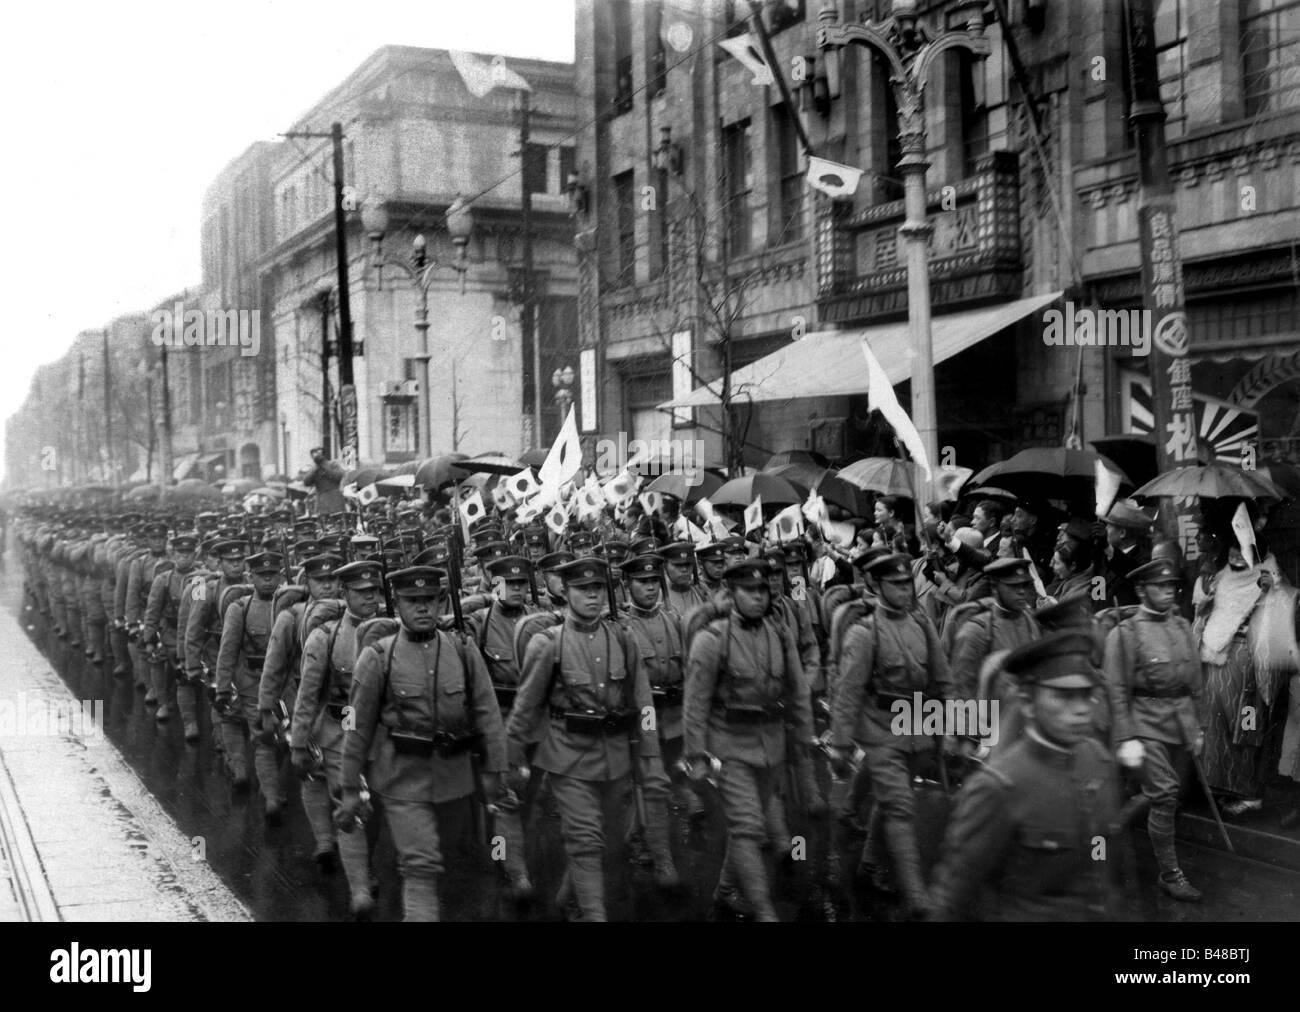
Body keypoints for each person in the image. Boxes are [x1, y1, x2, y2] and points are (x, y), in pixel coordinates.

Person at [336, 565, 507, 922]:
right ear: (396, 604)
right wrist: (350, 787)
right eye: (412, 601)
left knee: (437, 859)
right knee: (421, 866)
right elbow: (356, 728)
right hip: (401, 780)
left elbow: (488, 712)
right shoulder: (377, 657)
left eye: (430, 599)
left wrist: (494, 772)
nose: (423, 607)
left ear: (442, 600)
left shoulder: (463, 649)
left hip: (454, 780)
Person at [505, 557, 665, 921]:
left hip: (615, 756)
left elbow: (644, 702)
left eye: (597, 589)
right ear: (567, 592)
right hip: (568, 756)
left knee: (607, 837)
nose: (592, 596)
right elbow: (525, 707)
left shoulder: (624, 639)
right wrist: (510, 763)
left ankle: (568, 899)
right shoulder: (548, 644)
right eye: (582, 589)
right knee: (585, 840)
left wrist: (650, 753)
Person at [929, 631, 1126, 921]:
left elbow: (1104, 859)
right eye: (1063, 696)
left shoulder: (1096, 759)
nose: (1082, 709)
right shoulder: (998, 787)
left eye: (1086, 695)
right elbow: (953, 892)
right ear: (1028, 702)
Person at [683, 558, 813, 921]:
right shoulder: (711, 640)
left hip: (771, 746)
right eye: (749, 591)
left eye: (763, 590)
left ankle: (724, 892)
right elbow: (695, 702)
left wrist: (803, 734)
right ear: (731, 593)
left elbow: (797, 687)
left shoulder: (779, 632)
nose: (759, 597)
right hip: (729, 747)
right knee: (747, 828)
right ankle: (763, 909)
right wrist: (695, 754)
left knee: (749, 824)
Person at [828, 553, 954, 918]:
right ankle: (918, 897)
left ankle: (868, 866)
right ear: (876, 586)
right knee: (900, 804)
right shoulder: (864, 633)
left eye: (906, 583)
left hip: (916, 722)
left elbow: (943, 677)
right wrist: (839, 744)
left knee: (889, 798)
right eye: (895, 584)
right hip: (879, 727)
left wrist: (961, 725)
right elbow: (848, 692)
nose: (904, 590)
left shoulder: (921, 622)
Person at [1103, 558, 1205, 901]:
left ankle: (1114, 825)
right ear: (1140, 590)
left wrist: (1199, 726)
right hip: (1144, 723)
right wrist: (1125, 737)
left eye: (1171, 586)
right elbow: (1115, 689)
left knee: (1168, 796)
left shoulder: (1182, 626)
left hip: (1181, 721)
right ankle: (1170, 874)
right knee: (1163, 793)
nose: (1168, 591)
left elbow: (1195, 682)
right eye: (1159, 586)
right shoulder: (1125, 634)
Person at [292, 559, 383, 918]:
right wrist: (299, 742)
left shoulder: (391, 630)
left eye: (373, 591)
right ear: (345, 595)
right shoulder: (325, 636)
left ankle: (366, 867)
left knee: (377, 811)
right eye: (360, 593)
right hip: (338, 733)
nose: (369, 598)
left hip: (383, 737)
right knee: (352, 807)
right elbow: (308, 695)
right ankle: (359, 888)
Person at [216, 552, 285, 814]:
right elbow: (228, 650)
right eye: (261, 576)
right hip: (251, 684)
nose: (267, 581)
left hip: (284, 686)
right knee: (263, 738)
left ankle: (271, 785)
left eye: (272, 575)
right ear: (251, 576)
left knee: (284, 740)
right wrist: (223, 687)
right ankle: (271, 798)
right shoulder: (239, 609)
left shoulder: (288, 607)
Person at [303, 448, 346, 516]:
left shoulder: (333, 464)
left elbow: (338, 476)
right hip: (321, 503)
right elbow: (306, 482)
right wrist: (315, 468)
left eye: (319, 454)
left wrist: (324, 466)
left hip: (335, 501)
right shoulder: (314, 469)